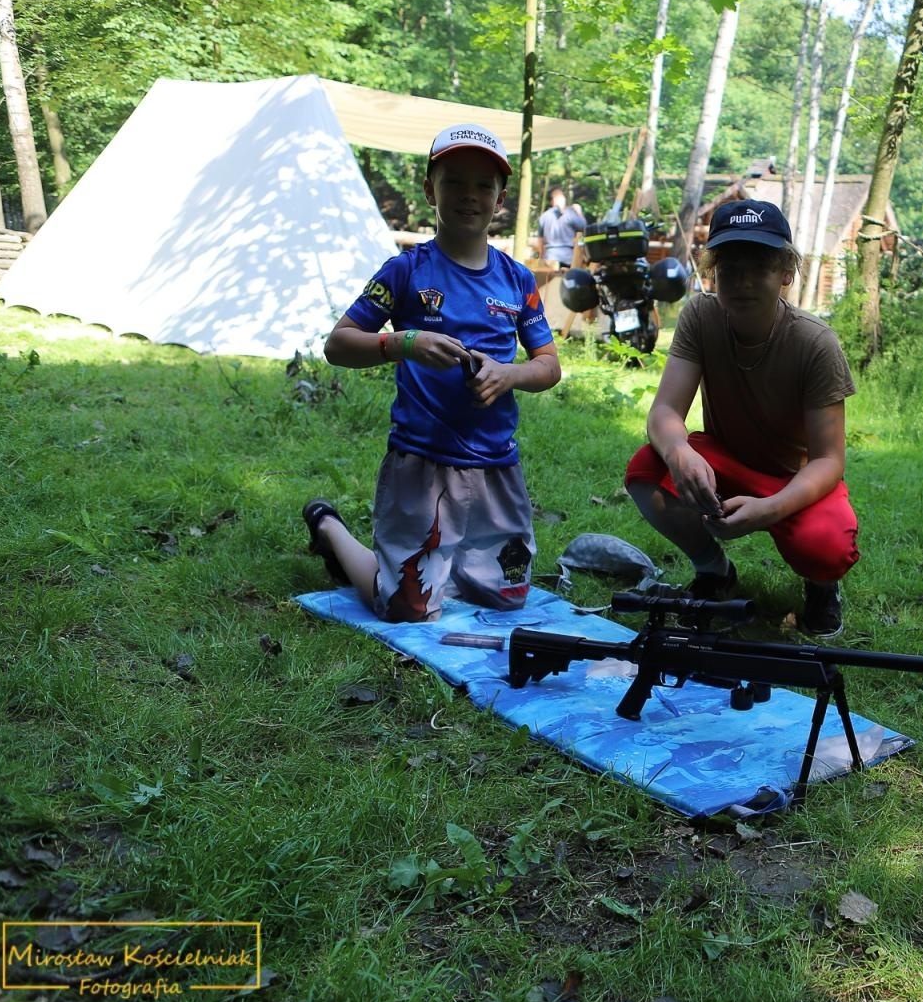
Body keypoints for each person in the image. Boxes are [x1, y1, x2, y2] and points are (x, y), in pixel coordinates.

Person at [302, 122, 561, 622]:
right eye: (454, 182)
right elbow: (339, 345)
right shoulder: (405, 271)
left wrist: (508, 375)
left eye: (484, 185)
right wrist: (407, 343)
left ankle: (442, 561)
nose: (470, 195)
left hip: (496, 465)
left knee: (506, 598)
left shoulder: (518, 279)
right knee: (405, 609)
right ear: (429, 191)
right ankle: (330, 528)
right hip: (421, 463)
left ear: (500, 198)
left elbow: (548, 366)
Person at [624, 199, 859, 639]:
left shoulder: (816, 343)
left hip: (795, 478)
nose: (743, 282)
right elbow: (665, 412)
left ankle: (822, 588)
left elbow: (829, 461)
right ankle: (714, 571)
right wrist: (678, 451)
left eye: (760, 267)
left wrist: (769, 510)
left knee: (828, 544)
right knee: (647, 469)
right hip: (726, 463)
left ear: (786, 274)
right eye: (730, 268)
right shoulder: (700, 315)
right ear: (712, 273)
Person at [537, 186, 586, 269]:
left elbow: (540, 241)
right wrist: (579, 212)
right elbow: (584, 227)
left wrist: (542, 257)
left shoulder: (543, 217)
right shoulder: (570, 214)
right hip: (568, 257)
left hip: (550, 258)